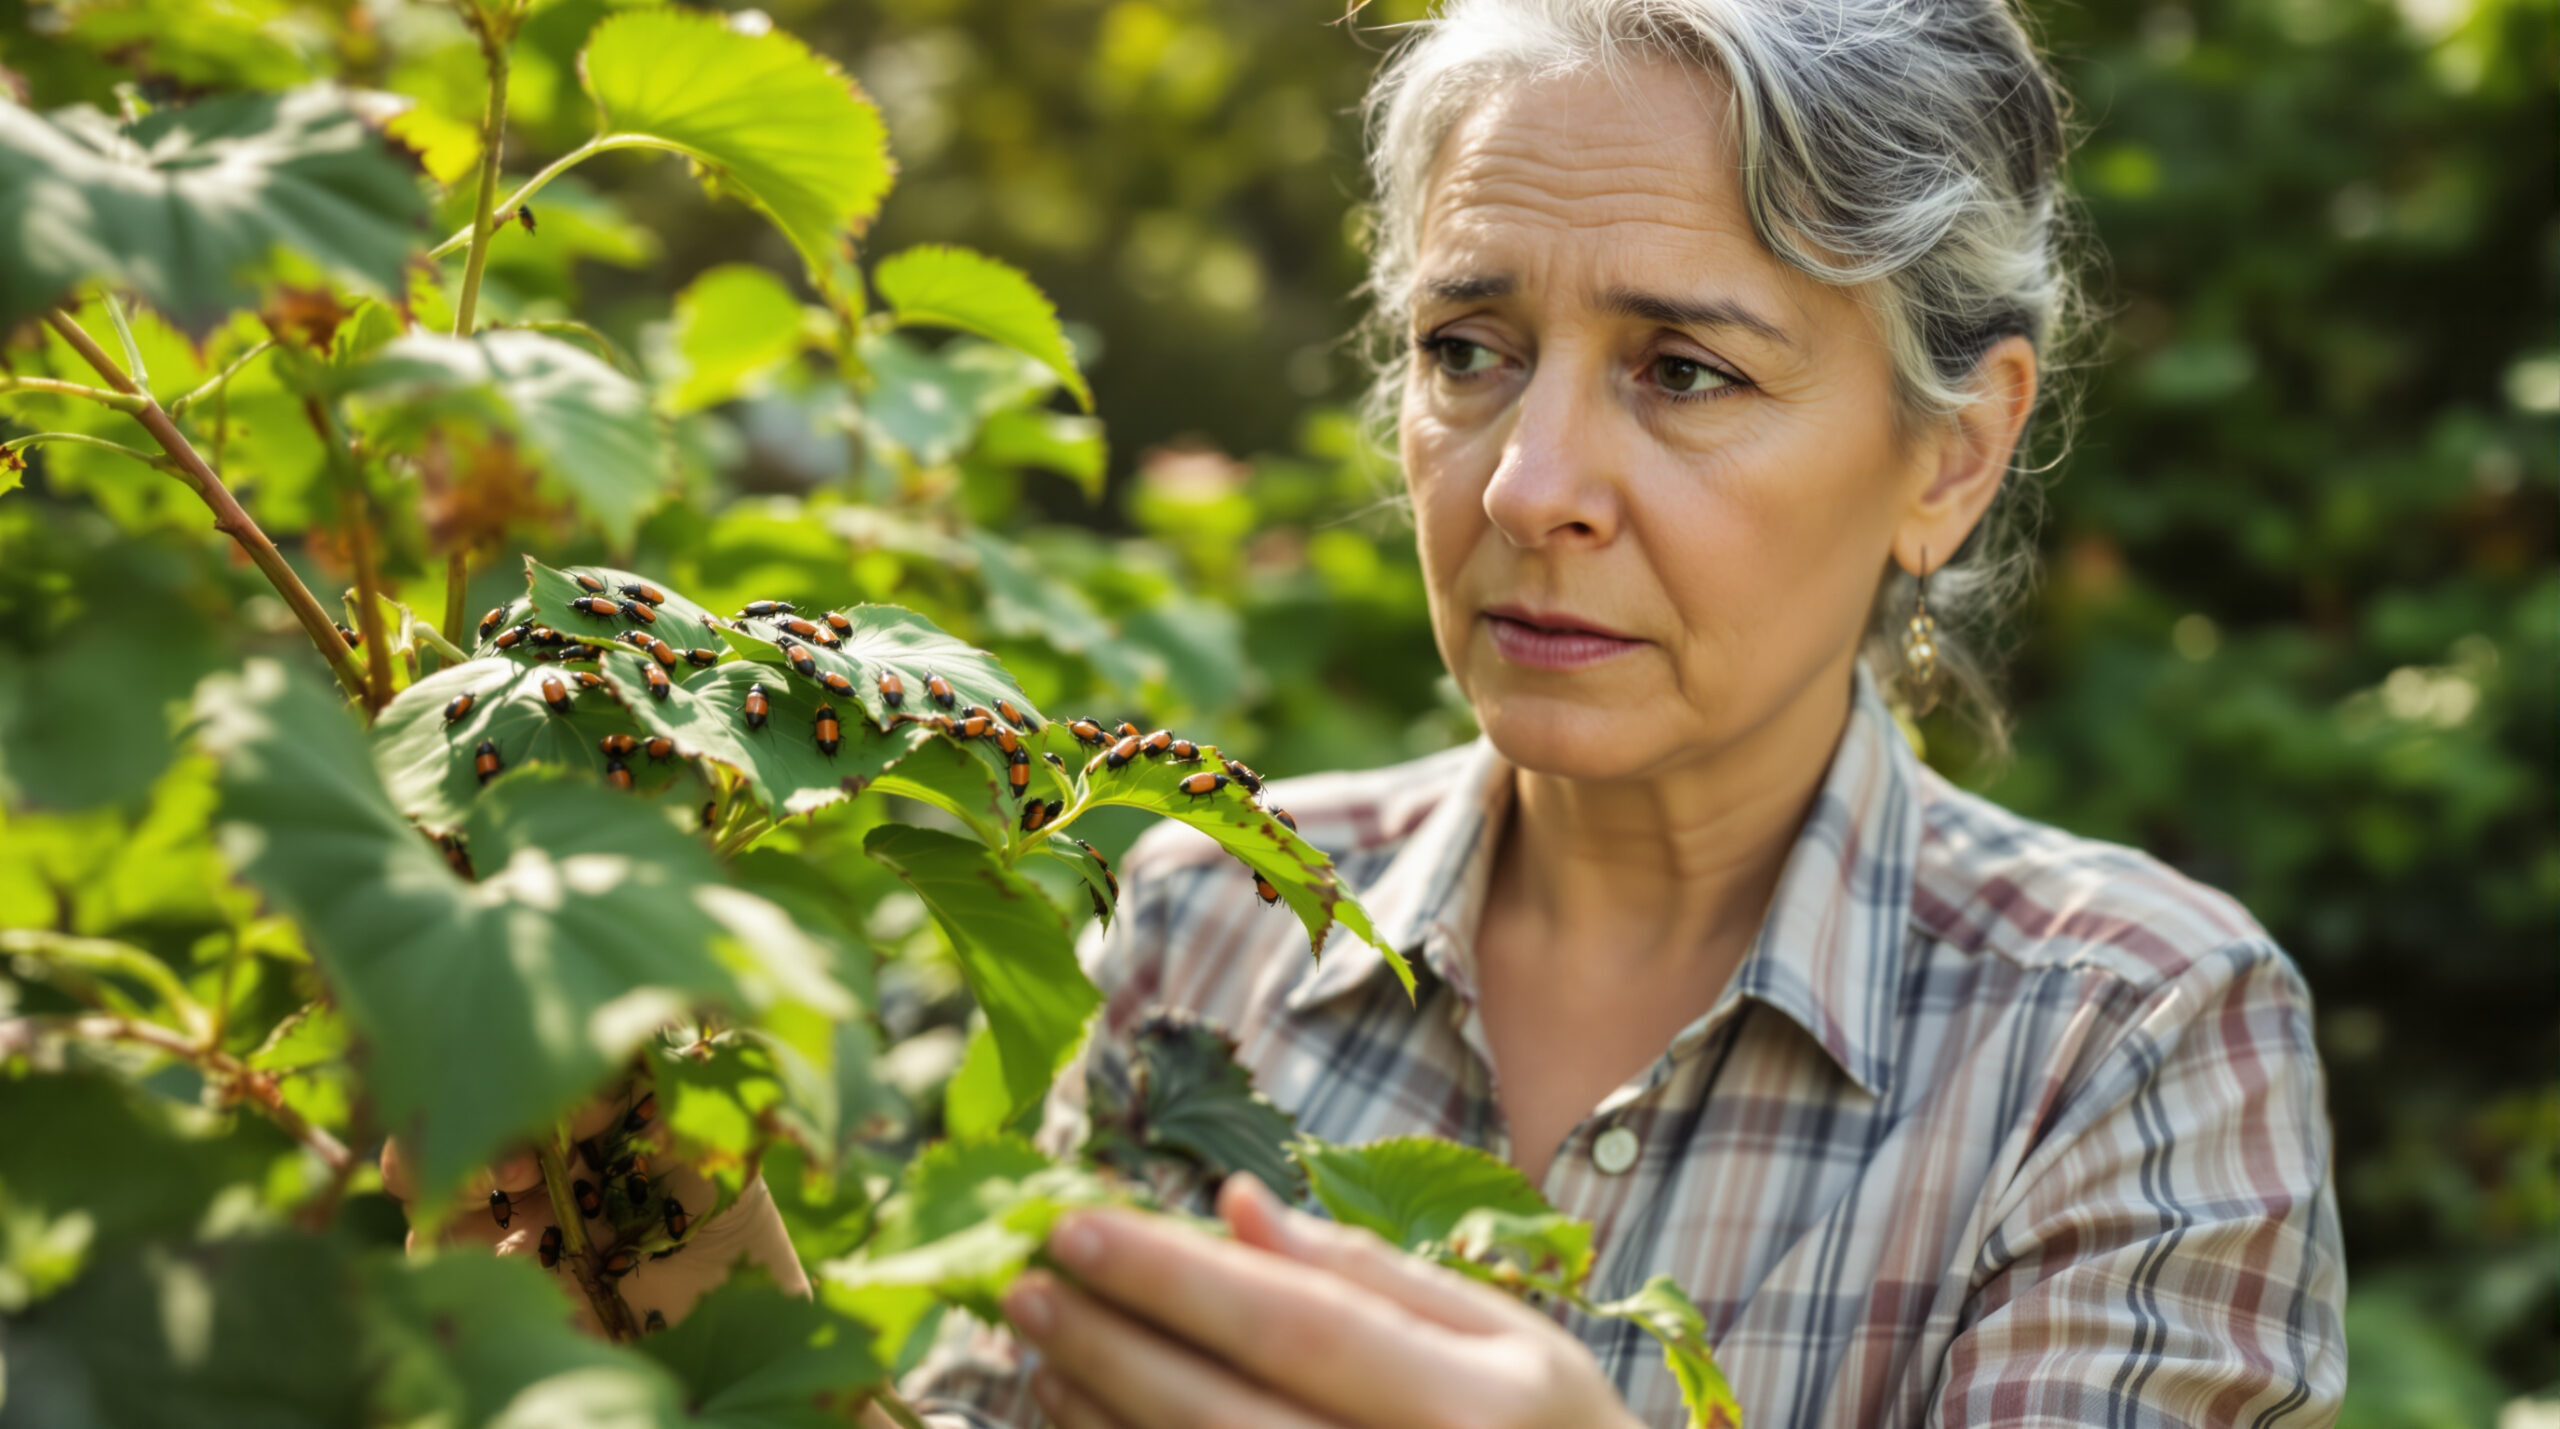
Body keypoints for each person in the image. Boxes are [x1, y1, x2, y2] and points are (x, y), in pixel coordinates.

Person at [395, 0, 2349, 1421]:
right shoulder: (1217, 917)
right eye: (1466, 349)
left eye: (1680, 369)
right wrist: (675, 1248)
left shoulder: (2123, 1040)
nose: (1521, 485)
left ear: (1949, 455)